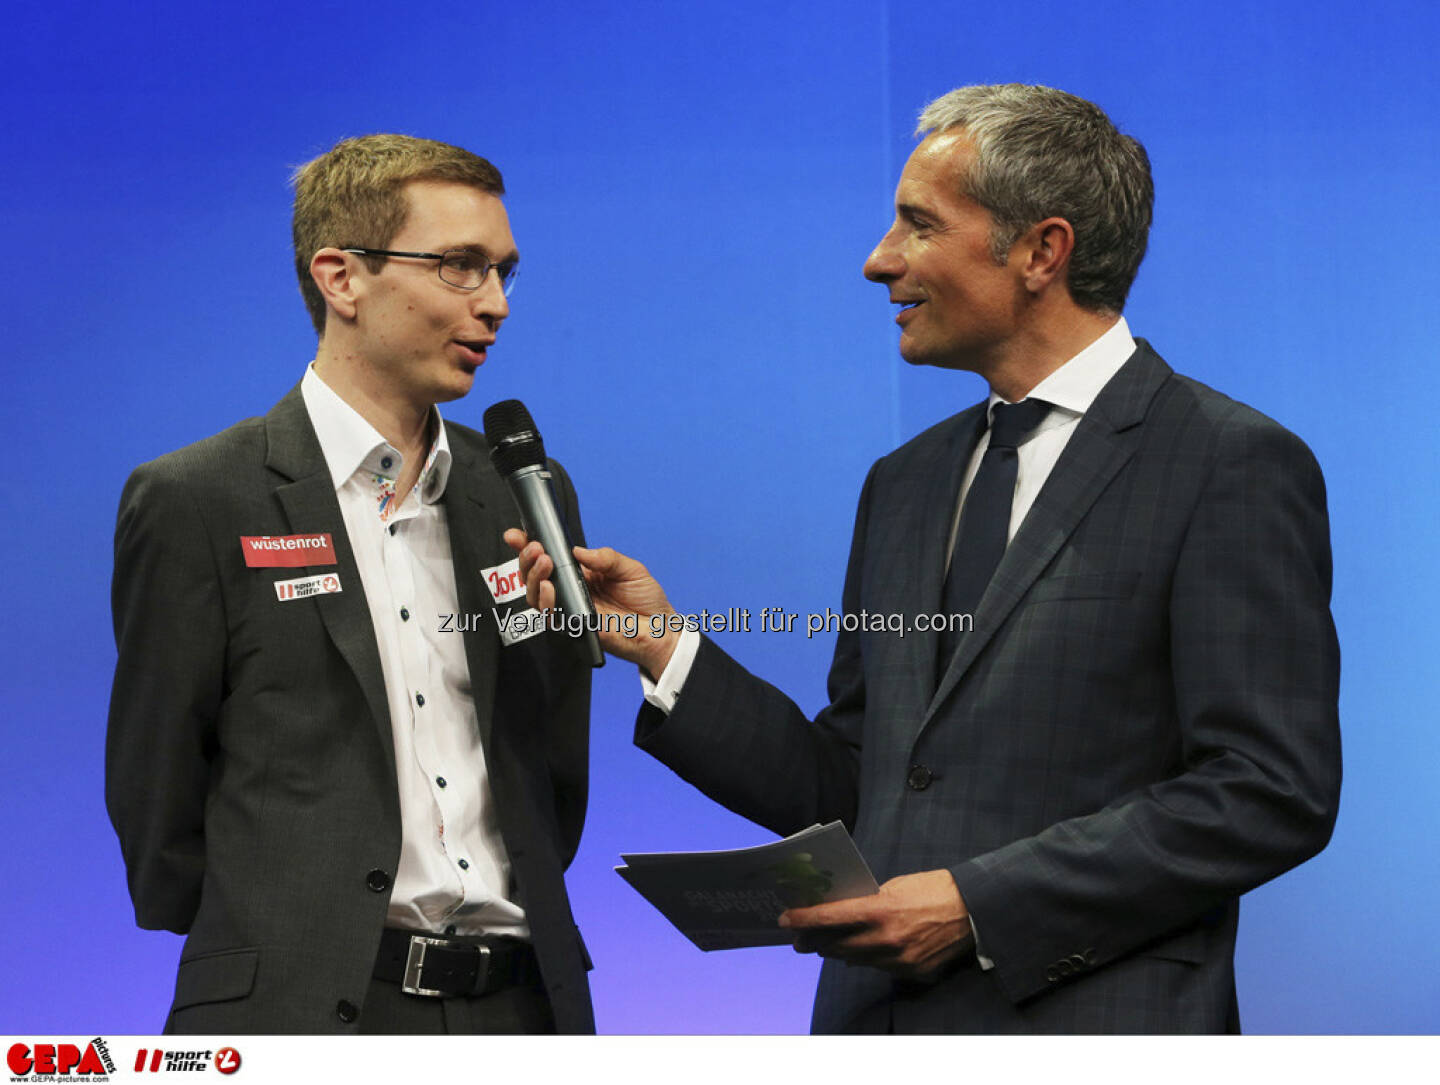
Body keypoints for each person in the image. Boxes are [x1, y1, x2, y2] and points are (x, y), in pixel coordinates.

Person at [510, 84, 1341, 1033]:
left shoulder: (1227, 461)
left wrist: (977, 904)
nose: (879, 261)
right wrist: (668, 651)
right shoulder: (904, 482)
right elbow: (861, 782)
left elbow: (1269, 790)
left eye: (918, 224)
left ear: (1042, 250)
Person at [107, 135, 595, 1034]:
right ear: (341, 278)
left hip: (520, 1007)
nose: (494, 304)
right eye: (460, 266)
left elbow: (555, 765)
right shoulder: (199, 498)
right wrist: (275, 929)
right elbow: (156, 788)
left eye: (503, 272)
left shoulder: (527, 490)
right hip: (301, 1003)